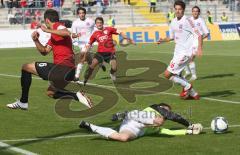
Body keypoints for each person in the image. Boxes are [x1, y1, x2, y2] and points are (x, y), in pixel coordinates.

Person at [6, 9, 93, 110]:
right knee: (51, 93)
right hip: (67, 72)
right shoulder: (54, 36)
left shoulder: (58, 26)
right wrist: (36, 40)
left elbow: (66, 32)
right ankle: (76, 96)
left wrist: (47, 30)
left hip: (62, 69)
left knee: (26, 67)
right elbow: (44, 51)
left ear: (47, 20)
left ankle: (23, 102)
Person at [79, 103, 203, 142]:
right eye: (167, 109)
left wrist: (188, 132)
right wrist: (188, 124)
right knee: (157, 120)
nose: (167, 113)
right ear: (161, 106)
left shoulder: (159, 124)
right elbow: (173, 116)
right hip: (138, 116)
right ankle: (124, 114)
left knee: (124, 138)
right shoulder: (156, 108)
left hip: (135, 128)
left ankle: (91, 126)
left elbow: (169, 131)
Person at [157, 1, 202, 100]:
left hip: (185, 53)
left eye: (180, 9)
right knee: (176, 74)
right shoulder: (173, 22)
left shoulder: (188, 21)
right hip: (177, 52)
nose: (177, 11)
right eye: (176, 9)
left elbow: (199, 34)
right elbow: (171, 37)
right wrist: (163, 40)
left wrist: (199, 49)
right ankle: (194, 94)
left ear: (183, 10)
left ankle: (188, 86)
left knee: (167, 74)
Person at [83, 17, 135, 85]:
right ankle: (85, 79)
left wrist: (129, 39)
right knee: (91, 67)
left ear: (103, 23)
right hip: (100, 53)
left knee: (114, 68)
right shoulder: (94, 34)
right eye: (97, 23)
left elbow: (120, 32)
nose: (99, 24)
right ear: (95, 24)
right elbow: (89, 44)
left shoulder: (109, 29)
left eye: (100, 23)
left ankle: (111, 73)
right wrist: (86, 52)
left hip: (110, 53)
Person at [183, 6, 209, 81]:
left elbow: (207, 33)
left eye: (197, 11)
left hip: (196, 43)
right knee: (183, 56)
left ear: (199, 12)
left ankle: (194, 75)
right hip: (189, 42)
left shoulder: (201, 21)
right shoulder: (189, 20)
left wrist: (199, 40)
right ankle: (187, 71)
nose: (195, 12)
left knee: (191, 58)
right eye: (194, 11)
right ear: (192, 12)